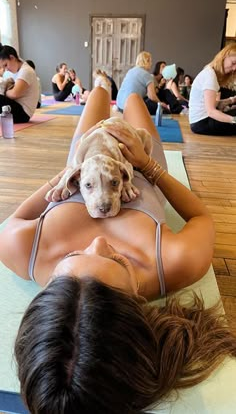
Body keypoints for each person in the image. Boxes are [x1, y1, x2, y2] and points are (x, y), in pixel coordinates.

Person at [0, 87, 236, 413]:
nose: (98, 242)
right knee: (135, 98)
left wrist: (70, 173)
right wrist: (147, 165)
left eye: (75, 254)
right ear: (137, 302)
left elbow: (16, 216)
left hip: (84, 162)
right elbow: (200, 217)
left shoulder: (23, 248)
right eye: (117, 259)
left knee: (98, 91)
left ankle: (105, 87)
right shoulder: (173, 261)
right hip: (138, 160)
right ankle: (130, 91)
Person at [189, 43, 236, 135]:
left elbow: (211, 105)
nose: (234, 68)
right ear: (224, 56)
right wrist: (234, 120)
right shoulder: (210, 76)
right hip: (203, 123)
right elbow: (211, 112)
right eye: (233, 63)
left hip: (199, 123)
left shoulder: (209, 72)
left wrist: (231, 100)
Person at [0, 45, 39, 123]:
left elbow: (14, 94)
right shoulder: (13, 70)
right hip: (15, 107)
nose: (6, 69)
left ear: (12, 57)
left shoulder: (26, 71)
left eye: (6, 65)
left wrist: (5, 92)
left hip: (23, 114)